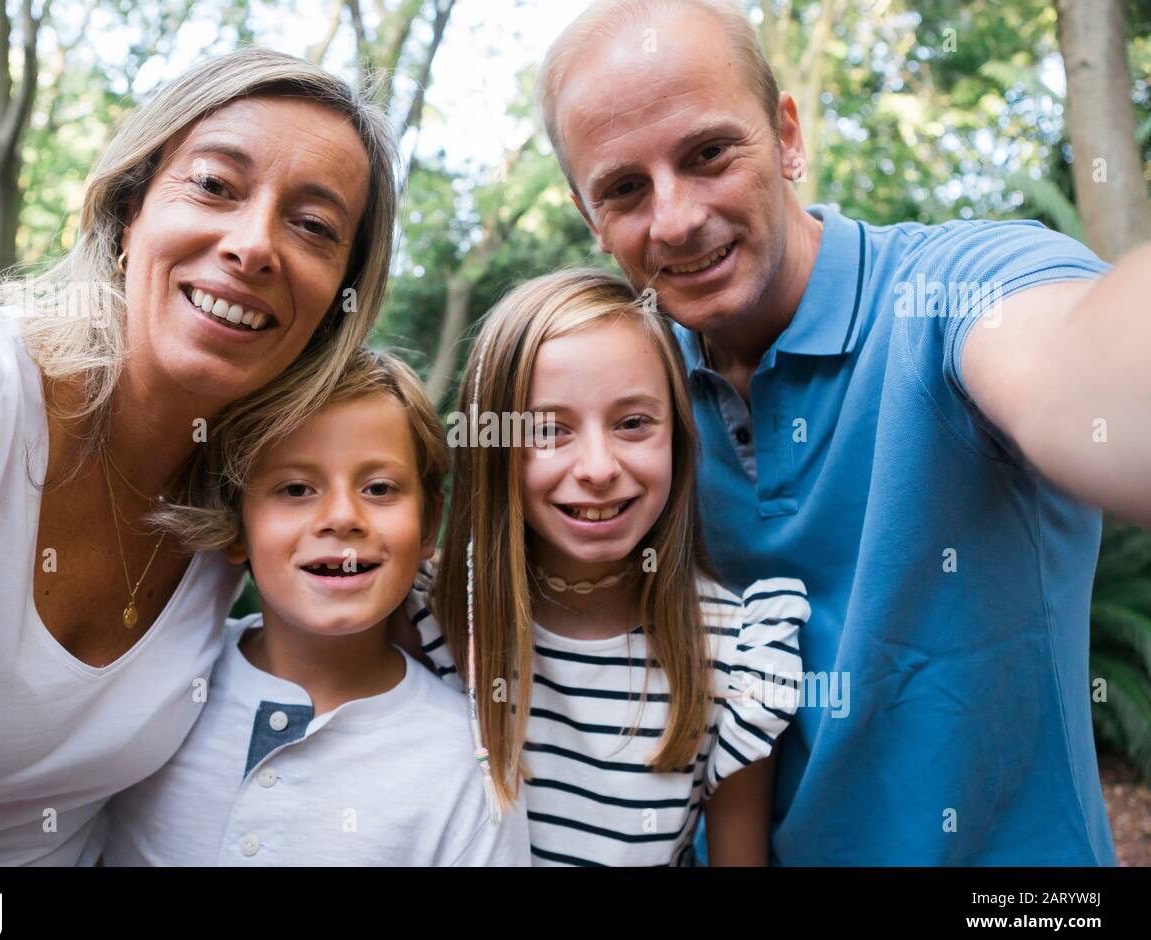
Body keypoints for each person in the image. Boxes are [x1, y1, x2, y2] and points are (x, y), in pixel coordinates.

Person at [538, 0, 1151, 864]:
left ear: (786, 136)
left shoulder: (949, 291)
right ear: (588, 215)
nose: (674, 219)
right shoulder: (624, 407)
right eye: (624, 189)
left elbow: (1085, 359)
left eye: (709, 154)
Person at [0, 47, 398, 865]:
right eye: (215, 185)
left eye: (314, 227)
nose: (254, 246)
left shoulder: (251, 507)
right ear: (128, 212)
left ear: (335, 305)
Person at [407, 269, 807, 866]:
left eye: (633, 423)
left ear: (678, 435)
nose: (597, 467)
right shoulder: (425, 615)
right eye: (548, 430)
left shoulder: (737, 653)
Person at [103, 350, 530, 866]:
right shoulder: (152, 686)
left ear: (430, 519)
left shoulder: (466, 765)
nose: (342, 517)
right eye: (296, 489)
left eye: (379, 488)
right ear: (236, 524)